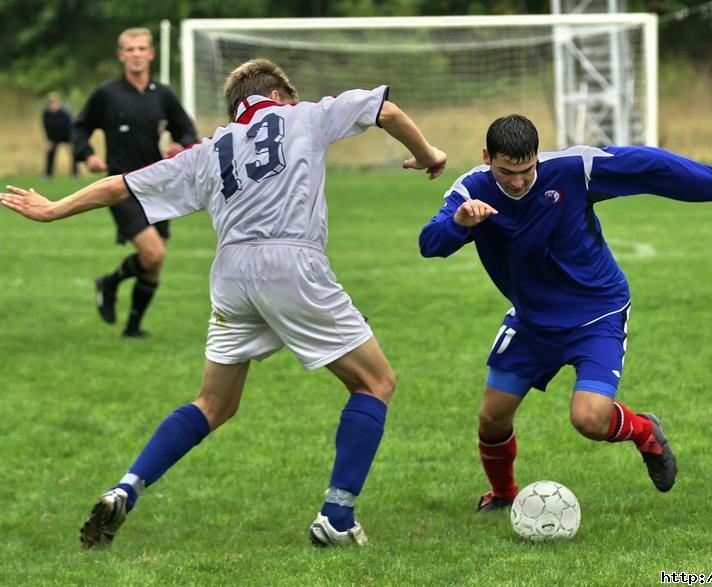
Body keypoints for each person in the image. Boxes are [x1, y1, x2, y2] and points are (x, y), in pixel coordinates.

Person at [1, 58, 446, 548]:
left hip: (231, 274)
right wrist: (427, 155)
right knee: (376, 382)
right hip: (291, 262)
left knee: (213, 403)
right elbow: (386, 111)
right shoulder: (305, 115)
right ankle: (337, 518)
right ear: (278, 96)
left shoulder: (209, 149)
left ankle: (127, 485)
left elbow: (120, 185)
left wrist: (52, 209)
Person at [418, 114, 712, 512]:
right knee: (492, 418)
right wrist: (459, 224)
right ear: (486, 157)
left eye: (527, 170)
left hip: (596, 312)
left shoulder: (573, 170)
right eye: (506, 172)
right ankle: (503, 495)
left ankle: (645, 431)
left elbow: (647, 166)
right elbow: (430, 243)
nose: (517, 182)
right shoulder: (469, 191)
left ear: (538, 157)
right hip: (533, 321)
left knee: (589, 420)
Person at [73, 27, 198, 337]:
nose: (136, 54)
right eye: (130, 49)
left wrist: (180, 146)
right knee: (153, 254)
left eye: (142, 48)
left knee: (154, 266)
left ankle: (131, 328)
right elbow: (80, 127)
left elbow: (187, 131)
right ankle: (111, 282)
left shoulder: (162, 94)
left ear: (151, 54)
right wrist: (87, 155)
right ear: (121, 55)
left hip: (159, 185)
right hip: (120, 186)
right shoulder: (107, 94)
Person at [42, 91, 78, 179]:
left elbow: (71, 126)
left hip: (67, 135)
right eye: (51, 103)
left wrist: (72, 140)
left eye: (54, 102)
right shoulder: (46, 113)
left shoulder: (65, 112)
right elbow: (46, 126)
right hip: (54, 136)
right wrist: (48, 139)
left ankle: (75, 173)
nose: (53, 105)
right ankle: (48, 174)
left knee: (74, 152)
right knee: (50, 153)